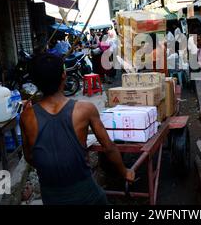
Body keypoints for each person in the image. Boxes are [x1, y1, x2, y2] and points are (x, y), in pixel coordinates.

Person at [20, 53, 135, 205]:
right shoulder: (84, 109)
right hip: (86, 195)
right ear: (64, 76)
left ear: (36, 82)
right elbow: (109, 147)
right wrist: (125, 171)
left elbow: (30, 157)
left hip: (51, 196)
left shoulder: (26, 116)